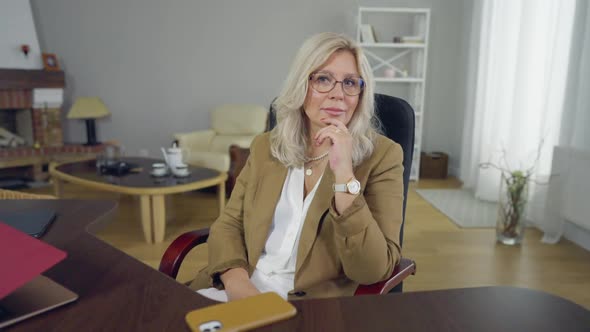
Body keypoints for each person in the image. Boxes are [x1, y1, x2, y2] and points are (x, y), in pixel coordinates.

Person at [190, 32, 404, 302]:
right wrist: (238, 284)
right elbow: (229, 223)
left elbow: (373, 269)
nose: (338, 94)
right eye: (323, 79)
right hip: (239, 285)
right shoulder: (266, 146)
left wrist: (345, 176)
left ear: (361, 94)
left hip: (307, 306)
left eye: (350, 82)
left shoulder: (383, 155)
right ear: (301, 85)